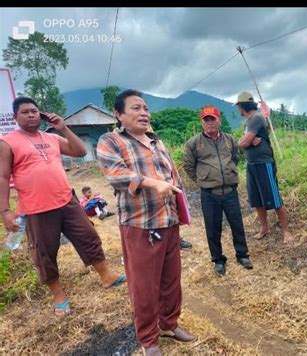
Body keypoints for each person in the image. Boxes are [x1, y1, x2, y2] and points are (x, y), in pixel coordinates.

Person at [0, 97, 125, 316]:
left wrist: (64, 128)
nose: (31, 115)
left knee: (88, 236)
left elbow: (80, 152)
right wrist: (5, 210)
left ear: (41, 114)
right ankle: (59, 296)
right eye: (25, 112)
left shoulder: (51, 137)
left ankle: (107, 276)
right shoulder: (7, 142)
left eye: (34, 111)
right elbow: (2, 177)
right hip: (36, 207)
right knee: (44, 253)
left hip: (67, 200)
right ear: (15, 117)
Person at [96, 89, 195, 355]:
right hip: (140, 224)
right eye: (136, 108)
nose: (144, 113)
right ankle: (149, 339)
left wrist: (181, 207)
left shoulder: (156, 141)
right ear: (119, 114)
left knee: (171, 280)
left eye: (146, 109)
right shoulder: (111, 141)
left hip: (168, 220)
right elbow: (116, 175)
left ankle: (169, 323)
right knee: (144, 286)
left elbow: (173, 177)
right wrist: (153, 183)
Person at [183, 105, 252, 277]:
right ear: (202, 122)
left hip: (230, 190)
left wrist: (227, 175)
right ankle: (218, 260)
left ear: (219, 120)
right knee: (213, 228)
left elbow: (235, 157)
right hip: (209, 194)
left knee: (237, 224)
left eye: (212, 119)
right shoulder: (194, 143)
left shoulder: (229, 139)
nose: (210, 123)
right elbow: (188, 166)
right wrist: (202, 180)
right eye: (206, 120)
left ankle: (242, 255)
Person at [235, 91, 294, 244]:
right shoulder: (249, 121)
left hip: (264, 163)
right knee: (256, 199)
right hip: (252, 164)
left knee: (274, 198)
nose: (238, 110)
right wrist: (245, 141)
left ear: (243, 106)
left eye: (238, 107)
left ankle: (286, 231)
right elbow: (245, 142)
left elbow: (244, 143)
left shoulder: (256, 118)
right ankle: (264, 228)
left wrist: (244, 142)